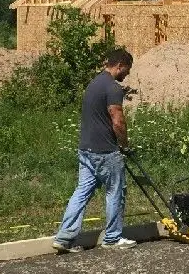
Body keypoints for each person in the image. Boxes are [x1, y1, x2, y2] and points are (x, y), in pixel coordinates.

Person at [53, 48, 136, 252]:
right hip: (105, 151)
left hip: (86, 149)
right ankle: (113, 237)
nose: (127, 74)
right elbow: (117, 120)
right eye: (127, 69)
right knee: (115, 191)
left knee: (82, 192)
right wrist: (124, 144)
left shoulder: (94, 84)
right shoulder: (113, 88)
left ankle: (64, 237)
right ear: (120, 66)